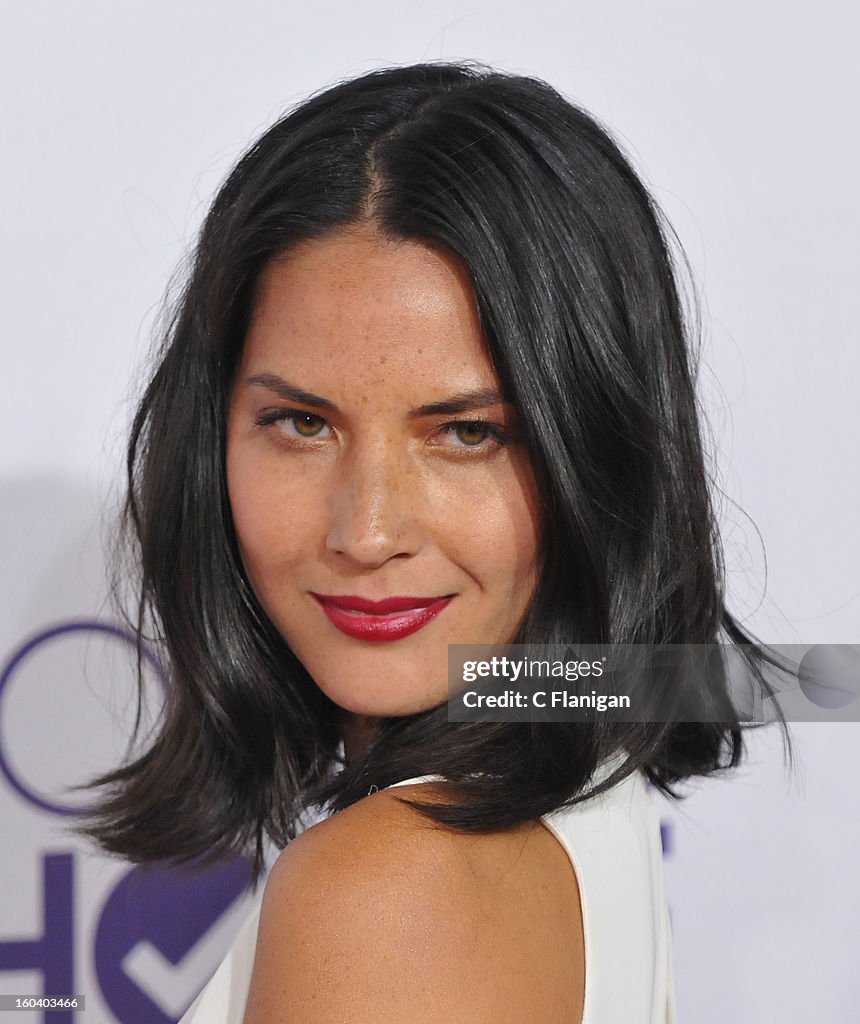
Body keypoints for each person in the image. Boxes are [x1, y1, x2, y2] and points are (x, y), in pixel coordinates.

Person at [81, 61, 785, 1023]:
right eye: (301, 424)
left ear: (599, 453)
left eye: (467, 433)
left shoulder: (388, 889)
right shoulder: (574, 796)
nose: (366, 532)